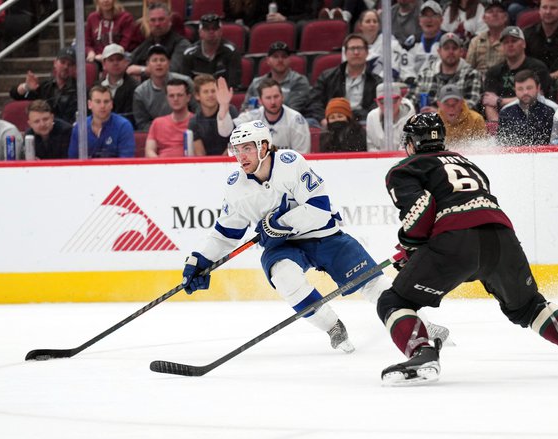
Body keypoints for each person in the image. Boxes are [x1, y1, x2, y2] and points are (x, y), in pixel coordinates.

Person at [376, 112, 558, 386]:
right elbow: (473, 204)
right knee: (529, 306)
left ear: (411, 142)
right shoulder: (469, 164)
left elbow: (422, 211)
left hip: (456, 242)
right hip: (502, 239)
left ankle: (423, 354)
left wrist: (411, 245)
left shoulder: (405, 168)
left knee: (394, 301)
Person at [179, 119, 429, 354]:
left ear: (263, 146)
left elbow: (319, 210)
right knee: (284, 276)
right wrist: (200, 260)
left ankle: (418, 324)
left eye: (247, 148)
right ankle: (332, 326)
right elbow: (224, 235)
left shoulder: (290, 163)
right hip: (284, 247)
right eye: (236, 149)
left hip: (325, 236)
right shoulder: (236, 187)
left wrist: (279, 223)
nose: (240, 156)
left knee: (371, 281)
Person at [304, 33, 382, 125]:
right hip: (331, 120)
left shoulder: (376, 81)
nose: (356, 52)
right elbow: (314, 102)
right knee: (309, 123)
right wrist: (323, 120)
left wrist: (351, 118)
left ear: (367, 52)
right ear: (345, 53)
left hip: (361, 122)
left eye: (360, 48)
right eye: (352, 48)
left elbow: (378, 106)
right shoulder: (327, 76)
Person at [482, 26, 551, 122]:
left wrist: (499, 101)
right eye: (506, 42)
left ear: (523, 44)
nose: (510, 45)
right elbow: (488, 102)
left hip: (533, 119)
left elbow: (537, 96)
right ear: (501, 47)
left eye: (514, 41)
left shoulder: (538, 67)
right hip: (502, 121)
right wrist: (496, 125)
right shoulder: (493, 72)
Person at [411, 32, 483, 112]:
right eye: (446, 48)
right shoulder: (424, 75)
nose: (451, 52)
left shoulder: (472, 75)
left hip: (458, 123)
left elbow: (473, 105)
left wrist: (440, 113)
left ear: (461, 52)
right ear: (439, 51)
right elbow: (411, 101)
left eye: (454, 48)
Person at [235, 78, 311, 154]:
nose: (273, 102)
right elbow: (228, 132)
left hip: (288, 165)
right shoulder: (252, 117)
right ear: (260, 101)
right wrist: (225, 107)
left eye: (276, 96)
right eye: (268, 98)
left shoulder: (296, 120)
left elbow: (302, 157)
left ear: (282, 97)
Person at [132, 44, 195, 131]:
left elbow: (197, 111)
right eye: (154, 60)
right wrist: (164, 130)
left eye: (162, 60)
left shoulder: (186, 82)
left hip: (187, 130)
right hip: (159, 135)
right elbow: (142, 124)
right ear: (148, 64)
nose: (159, 63)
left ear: (169, 63)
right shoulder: (140, 92)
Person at [9, 46, 78, 123]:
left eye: (70, 64)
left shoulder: (81, 91)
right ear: (55, 63)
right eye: (62, 62)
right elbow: (15, 94)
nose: (66, 67)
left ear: (75, 67)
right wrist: (26, 87)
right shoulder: (45, 87)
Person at [241, 41, 311, 114]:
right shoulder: (257, 83)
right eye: (275, 56)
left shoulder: (299, 81)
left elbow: (293, 110)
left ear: (289, 59)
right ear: (268, 60)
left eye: (284, 56)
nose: (280, 60)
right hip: (258, 122)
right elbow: (245, 108)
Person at [68, 85, 135, 158]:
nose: (102, 106)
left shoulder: (123, 126)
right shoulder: (79, 127)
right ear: (90, 104)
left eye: (106, 101)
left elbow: (126, 162)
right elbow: (73, 160)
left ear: (111, 104)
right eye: (98, 102)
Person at [128, 3, 190, 77]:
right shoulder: (148, 42)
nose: (157, 24)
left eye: (161, 19)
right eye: (153, 20)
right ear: (148, 23)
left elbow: (173, 71)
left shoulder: (181, 44)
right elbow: (128, 62)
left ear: (170, 21)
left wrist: (142, 70)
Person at [180, 14, 241, 88]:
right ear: (200, 32)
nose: (211, 32)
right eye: (206, 29)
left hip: (223, 96)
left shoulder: (231, 52)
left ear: (221, 31)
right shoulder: (189, 54)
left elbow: (233, 85)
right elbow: (185, 86)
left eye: (215, 28)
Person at [353, 10, 415, 83]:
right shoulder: (353, 45)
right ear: (360, 25)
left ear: (379, 25)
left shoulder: (390, 43)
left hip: (386, 87)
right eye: (368, 21)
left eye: (375, 21)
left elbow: (393, 70)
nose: (372, 24)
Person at [497, 70, 555, 146]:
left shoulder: (550, 110)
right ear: (515, 90)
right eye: (520, 89)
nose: (525, 92)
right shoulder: (506, 112)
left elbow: (555, 140)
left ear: (538, 88)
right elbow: (502, 143)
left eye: (529, 88)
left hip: (544, 155)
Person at [189, 75, 237, 156]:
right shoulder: (194, 121)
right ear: (197, 96)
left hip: (231, 160)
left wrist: (222, 161)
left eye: (213, 91)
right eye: (206, 92)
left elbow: (237, 141)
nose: (210, 95)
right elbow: (199, 152)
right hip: (207, 165)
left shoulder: (230, 110)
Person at [145, 78, 194, 157]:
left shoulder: (196, 122)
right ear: (166, 98)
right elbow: (149, 151)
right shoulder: (157, 123)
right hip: (161, 167)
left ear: (188, 97)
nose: (175, 99)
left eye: (180, 95)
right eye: (171, 96)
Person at [366, 83, 416, 151]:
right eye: (382, 101)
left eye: (393, 100)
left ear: (400, 99)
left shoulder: (411, 119)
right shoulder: (371, 117)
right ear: (377, 102)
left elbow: (407, 150)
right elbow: (371, 147)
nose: (388, 105)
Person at [98, 43, 138, 126]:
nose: (115, 63)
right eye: (111, 60)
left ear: (125, 62)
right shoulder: (96, 87)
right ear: (104, 64)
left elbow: (131, 117)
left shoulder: (135, 87)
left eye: (119, 59)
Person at [465, 0, 507, 76]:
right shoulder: (475, 41)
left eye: (499, 11)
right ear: (484, 18)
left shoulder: (512, 39)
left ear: (505, 17)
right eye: (490, 11)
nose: (495, 14)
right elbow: (468, 68)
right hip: (478, 82)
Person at [407, 1, 445, 75]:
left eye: (433, 16)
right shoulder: (412, 42)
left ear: (441, 19)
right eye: (425, 16)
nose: (429, 20)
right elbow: (406, 68)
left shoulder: (447, 41)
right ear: (419, 20)